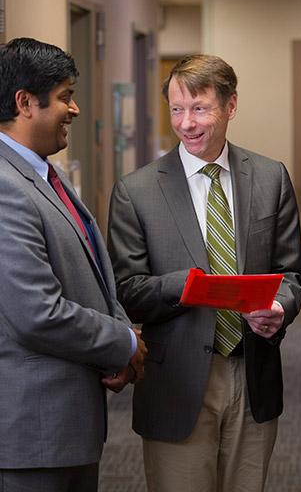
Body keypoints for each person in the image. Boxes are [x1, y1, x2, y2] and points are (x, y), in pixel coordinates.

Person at [107, 54, 301, 492]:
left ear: (230, 105)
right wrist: (191, 285)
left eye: (199, 108)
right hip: (176, 378)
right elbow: (126, 290)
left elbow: (292, 272)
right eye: (177, 109)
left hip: (253, 371)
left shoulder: (270, 178)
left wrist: (279, 307)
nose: (186, 123)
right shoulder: (136, 191)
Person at [0, 37, 147, 492]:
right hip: (34, 434)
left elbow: (96, 276)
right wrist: (121, 342)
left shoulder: (49, 173)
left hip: (68, 426)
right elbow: (37, 314)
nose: (75, 109)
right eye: (65, 97)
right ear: (26, 103)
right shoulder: (6, 188)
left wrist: (123, 336)